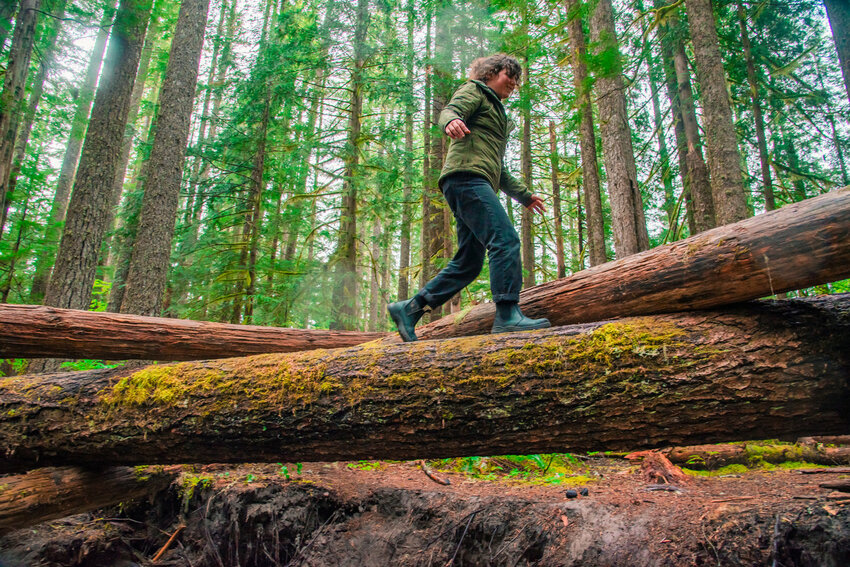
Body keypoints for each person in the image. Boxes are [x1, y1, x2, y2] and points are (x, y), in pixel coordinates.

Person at [388, 53, 550, 342]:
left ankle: (410, 309)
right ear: (490, 73)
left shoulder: (497, 115)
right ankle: (508, 314)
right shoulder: (475, 90)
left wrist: (524, 196)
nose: (513, 81)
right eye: (507, 73)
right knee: (505, 239)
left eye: (517, 77)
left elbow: (497, 168)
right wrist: (450, 122)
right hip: (465, 178)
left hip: (473, 180)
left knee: (469, 262)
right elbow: (450, 111)